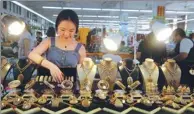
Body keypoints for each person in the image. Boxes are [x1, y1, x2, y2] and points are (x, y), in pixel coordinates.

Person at [28, 9, 86, 83]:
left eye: (71, 31)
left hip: (70, 86)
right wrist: (50, 66)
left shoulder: (80, 48)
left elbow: (82, 72)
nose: (66, 34)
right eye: (62, 30)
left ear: (76, 30)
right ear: (57, 28)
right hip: (49, 85)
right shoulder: (49, 41)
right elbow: (32, 55)